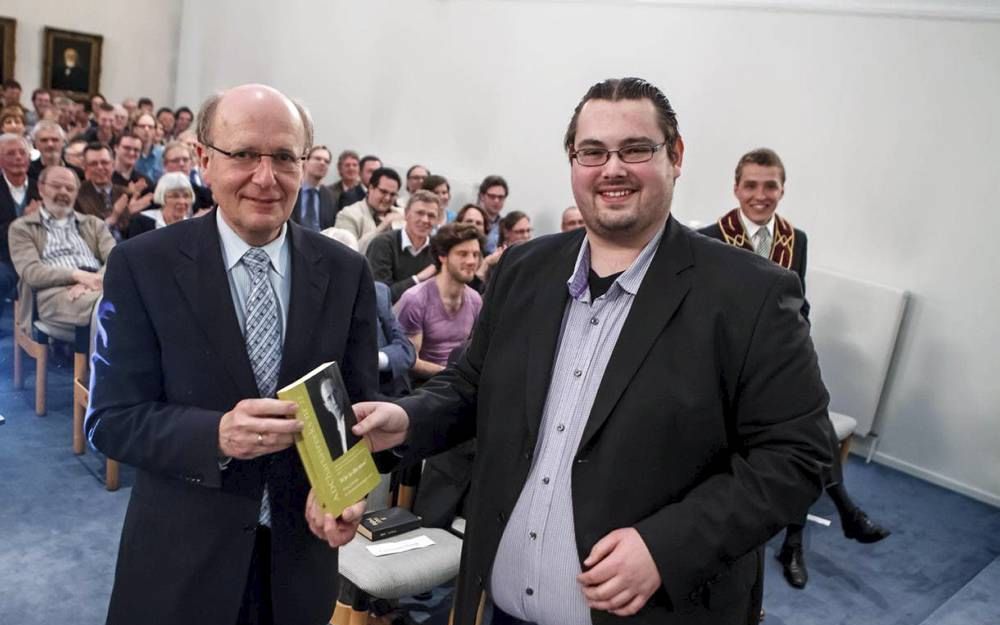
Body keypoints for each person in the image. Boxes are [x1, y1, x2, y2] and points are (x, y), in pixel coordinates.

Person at [352, 77, 832, 625]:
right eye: (593, 151)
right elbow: (470, 386)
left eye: (635, 149)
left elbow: (799, 455)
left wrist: (667, 545)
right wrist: (407, 417)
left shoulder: (750, 293)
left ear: (675, 156)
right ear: (573, 161)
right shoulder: (524, 269)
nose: (613, 168)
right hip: (502, 605)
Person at [85, 83, 376, 625]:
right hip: (181, 561)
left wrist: (348, 491)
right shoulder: (142, 266)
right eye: (243, 154)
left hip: (298, 562)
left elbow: (356, 410)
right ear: (204, 160)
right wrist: (215, 435)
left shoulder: (345, 271)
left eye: (284, 157)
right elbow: (110, 421)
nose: (265, 178)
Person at [700, 147, 890, 590]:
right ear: (736, 188)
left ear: (782, 189)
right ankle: (843, 507)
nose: (760, 195)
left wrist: (798, 342)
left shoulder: (795, 239)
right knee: (801, 435)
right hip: (730, 367)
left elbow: (798, 302)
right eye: (751, 185)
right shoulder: (711, 237)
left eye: (770, 186)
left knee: (805, 433)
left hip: (780, 361)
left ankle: (795, 542)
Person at [9, 165, 114, 335]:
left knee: (125, 302)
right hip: (55, 292)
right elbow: (31, 272)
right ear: (41, 188)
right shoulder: (22, 227)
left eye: (70, 188)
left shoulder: (93, 223)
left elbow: (115, 258)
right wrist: (77, 275)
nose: (64, 192)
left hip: (98, 285)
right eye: (57, 186)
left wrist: (94, 282)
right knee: (112, 306)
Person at [396, 222, 483, 380]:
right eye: (463, 254)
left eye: (476, 254)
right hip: (424, 387)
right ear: (443, 256)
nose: (472, 261)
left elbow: (475, 352)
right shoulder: (416, 299)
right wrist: (452, 375)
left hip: (459, 383)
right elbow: (410, 361)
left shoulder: (475, 300)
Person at [365, 189, 438, 303]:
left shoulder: (439, 250)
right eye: (419, 213)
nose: (425, 220)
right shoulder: (382, 244)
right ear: (406, 214)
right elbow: (381, 297)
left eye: (431, 215)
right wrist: (418, 279)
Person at [0, 134, 41, 299]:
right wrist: (23, 220)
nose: (18, 157)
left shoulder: (42, 186)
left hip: (39, 256)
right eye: (11, 153)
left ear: (29, 158)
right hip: (4, 258)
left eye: (22, 153)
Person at [334, 166, 404, 252]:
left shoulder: (402, 214)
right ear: (371, 188)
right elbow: (346, 253)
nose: (387, 198)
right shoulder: (348, 215)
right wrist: (382, 227)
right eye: (383, 192)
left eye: (393, 194)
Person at [128, 172, 194, 237]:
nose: (182, 201)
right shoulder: (142, 221)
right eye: (175, 196)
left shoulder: (193, 227)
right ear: (162, 197)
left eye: (186, 196)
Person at [291, 145, 338, 231]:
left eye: (327, 161)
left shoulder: (330, 196)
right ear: (305, 161)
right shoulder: (291, 189)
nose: (322, 163)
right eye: (317, 158)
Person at [478, 174, 509, 253]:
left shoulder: (505, 225)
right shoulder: (470, 220)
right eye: (492, 196)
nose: (496, 201)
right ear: (482, 196)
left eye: (500, 197)